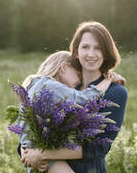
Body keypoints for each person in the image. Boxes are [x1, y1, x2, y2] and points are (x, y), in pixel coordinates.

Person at [21, 21, 128, 173]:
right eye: (85, 47)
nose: (91, 54)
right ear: (76, 52)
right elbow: (27, 129)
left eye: (98, 48)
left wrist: (43, 154)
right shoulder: (63, 87)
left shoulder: (115, 92)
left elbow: (99, 147)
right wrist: (28, 154)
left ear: (106, 52)